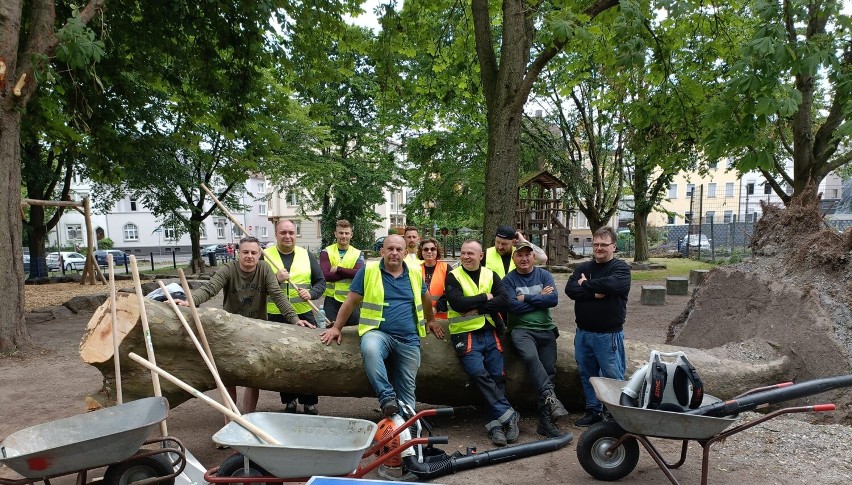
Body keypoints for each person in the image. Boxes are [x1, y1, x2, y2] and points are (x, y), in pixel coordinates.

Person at [179, 236, 310, 414]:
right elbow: (210, 289)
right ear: (238, 253)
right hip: (229, 330)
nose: (249, 256)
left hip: (256, 329)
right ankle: (231, 417)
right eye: (245, 252)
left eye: (254, 253)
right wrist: (190, 301)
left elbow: (278, 296)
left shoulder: (264, 269)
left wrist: (295, 319)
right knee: (228, 378)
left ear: (259, 254)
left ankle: (248, 418)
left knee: (252, 377)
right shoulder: (228, 269)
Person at [320, 235, 444, 417]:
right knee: (370, 349)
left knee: (408, 389)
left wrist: (431, 320)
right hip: (378, 333)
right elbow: (351, 301)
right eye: (390, 249)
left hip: (409, 338)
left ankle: (405, 429)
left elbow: (425, 298)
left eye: (398, 249)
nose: (394, 253)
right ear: (382, 251)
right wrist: (337, 327)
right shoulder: (369, 270)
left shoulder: (415, 272)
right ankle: (386, 397)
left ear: (405, 252)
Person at [445, 240, 519, 447]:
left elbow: (504, 300)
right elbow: (457, 303)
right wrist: (485, 297)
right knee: (478, 373)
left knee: (497, 376)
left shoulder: (490, 274)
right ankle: (509, 415)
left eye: (471, 253)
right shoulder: (453, 276)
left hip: (490, 330)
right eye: (463, 253)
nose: (466, 257)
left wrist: (478, 308)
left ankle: (496, 425)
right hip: (464, 334)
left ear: (480, 256)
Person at [564, 226, 631, 427]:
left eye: (604, 244)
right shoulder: (583, 268)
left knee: (613, 375)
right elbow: (570, 289)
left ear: (614, 246)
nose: (599, 248)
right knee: (587, 374)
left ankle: (615, 414)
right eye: (596, 244)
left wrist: (585, 285)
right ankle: (593, 410)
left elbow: (613, 286)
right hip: (583, 333)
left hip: (607, 335)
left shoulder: (620, 269)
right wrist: (593, 292)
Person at [502, 241, 570, 438]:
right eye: (519, 255)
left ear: (533, 257)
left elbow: (553, 299)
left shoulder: (544, 275)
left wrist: (526, 298)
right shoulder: (508, 280)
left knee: (549, 372)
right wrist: (539, 297)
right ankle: (550, 397)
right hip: (521, 331)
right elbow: (512, 307)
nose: (524, 258)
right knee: (532, 358)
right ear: (513, 258)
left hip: (546, 330)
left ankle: (546, 423)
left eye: (527, 254)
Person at [264, 219, 326, 415]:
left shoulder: (306, 255)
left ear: (296, 234)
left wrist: (312, 294)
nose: (288, 236)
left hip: (304, 314)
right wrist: (276, 280)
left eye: (291, 232)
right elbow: (256, 289)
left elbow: (320, 282)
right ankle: (289, 401)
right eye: (283, 233)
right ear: (276, 235)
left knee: (309, 359)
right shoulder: (265, 257)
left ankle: (309, 402)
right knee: (282, 361)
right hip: (276, 316)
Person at [320, 219, 364, 326]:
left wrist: (338, 269)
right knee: (330, 332)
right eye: (341, 233)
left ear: (351, 235)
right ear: (335, 234)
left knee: (352, 333)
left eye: (346, 233)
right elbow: (326, 275)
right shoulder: (326, 252)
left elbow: (359, 274)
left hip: (352, 300)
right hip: (331, 302)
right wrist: (349, 272)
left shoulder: (358, 253)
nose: (343, 236)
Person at [418, 238, 449, 319]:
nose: (429, 251)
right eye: (425, 249)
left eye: (432, 249)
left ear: (437, 251)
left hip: (441, 317)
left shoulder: (446, 268)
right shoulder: (416, 269)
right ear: (421, 252)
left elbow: (450, 292)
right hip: (420, 316)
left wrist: (436, 308)